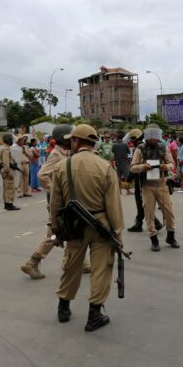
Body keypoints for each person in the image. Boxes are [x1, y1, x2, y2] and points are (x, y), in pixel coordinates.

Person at [49, 123, 124, 332]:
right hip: (102, 225)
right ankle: (94, 314)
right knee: (102, 268)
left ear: (75, 141)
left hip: (73, 226)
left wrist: (56, 230)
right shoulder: (105, 167)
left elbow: (55, 203)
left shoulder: (63, 166)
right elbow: (114, 206)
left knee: (72, 265)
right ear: (93, 143)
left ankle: (63, 307)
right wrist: (117, 233)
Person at [22, 124, 91, 279]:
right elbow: (42, 175)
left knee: (73, 231)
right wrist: (57, 192)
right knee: (54, 234)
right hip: (59, 204)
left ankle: (84, 263)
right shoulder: (56, 155)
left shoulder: (63, 153)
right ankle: (32, 262)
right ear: (63, 138)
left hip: (65, 202)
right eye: (71, 138)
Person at [130, 125, 178, 251]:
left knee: (169, 212)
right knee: (149, 214)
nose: (154, 139)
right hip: (147, 186)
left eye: (155, 136)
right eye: (151, 136)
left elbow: (172, 164)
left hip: (162, 183)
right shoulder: (140, 149)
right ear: (147, 136)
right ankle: (154, 239)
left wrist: (165, 167)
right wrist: (143, 167)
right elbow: (132, 167)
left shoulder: (164, 147)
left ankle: (171, 236)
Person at [0, 132, 20, 211]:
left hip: (3, 170)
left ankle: (6, 203)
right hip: (7, 170)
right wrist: (9, 172)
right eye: (11, 139)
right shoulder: (6, 148)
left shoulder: (2, 147)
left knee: (6, 188)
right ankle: (10, 204)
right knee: (10, 187)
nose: (12, 141)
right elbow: (6, 162)